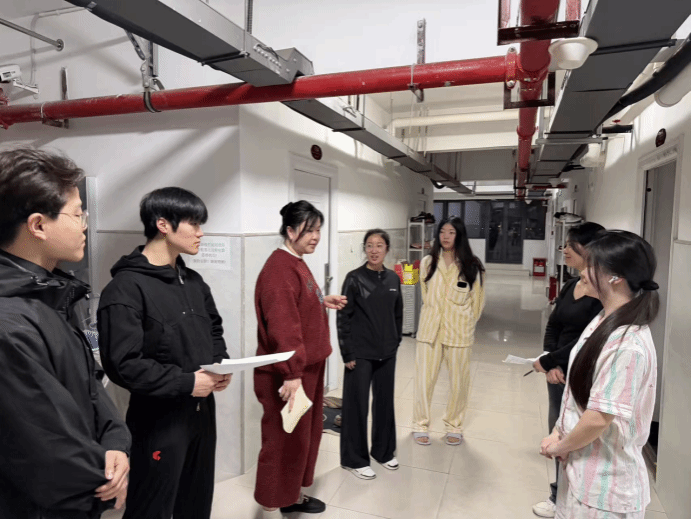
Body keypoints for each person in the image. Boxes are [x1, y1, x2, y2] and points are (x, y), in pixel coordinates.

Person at [0, 147, 131, 519]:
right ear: (38, 225)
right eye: (77, 214)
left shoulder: (50, 294)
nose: (84, 224)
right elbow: (44, 445)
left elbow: (89, 386)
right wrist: (104, 482)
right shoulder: (10, 323)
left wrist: (116, 442)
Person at [97, 187, 231, 519]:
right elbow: (123, 364)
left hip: (202, 414)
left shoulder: (194, 281)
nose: (201, 233)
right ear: (163, 225)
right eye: (194, 224)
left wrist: (221, 364)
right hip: (158, 419)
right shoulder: (125, 288)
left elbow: (214, 329)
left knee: (196, 500)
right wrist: (187, 382)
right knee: (151, 507)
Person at [540, 230, 660, 519]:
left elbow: (598, 418)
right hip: (581, 474)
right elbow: (578, 396)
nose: (582, 271)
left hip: (606, 489)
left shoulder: (627, 344)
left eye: (591, 265)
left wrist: (560, 446)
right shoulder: (603, 318)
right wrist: (559, 431)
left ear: (615, 277)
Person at [253, 200, 347, 517]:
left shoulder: (296, 261)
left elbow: (297, 305)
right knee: (283, 440)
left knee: (302, 438)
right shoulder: (279, 269)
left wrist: (322, 301)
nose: (316, 236)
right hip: (290, 373)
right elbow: (283, 326)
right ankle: (274, 500)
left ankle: (291, 495)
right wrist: (292, 375)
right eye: (309, 230)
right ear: (291, 231)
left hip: (307, 368)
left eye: (318, 229)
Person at [532, 222, 605, 518]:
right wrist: (550, 359)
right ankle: (557, 494)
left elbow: (585, 339)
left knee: (575, 436)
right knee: (557, 430)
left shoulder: (600, 293)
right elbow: (554, 324)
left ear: (589, 250)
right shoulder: (569, 285)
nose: (564, 250)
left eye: (571, 246)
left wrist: (553, 361)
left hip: (580, 372)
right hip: (558, 372)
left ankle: (571, 498)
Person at [412, 216, 486, 446]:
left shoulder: (472, 266)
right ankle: (420, 424)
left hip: (459, 332)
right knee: (424, 381)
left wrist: (464, 323)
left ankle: (454, 425)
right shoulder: (427, 262)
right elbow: (425, 294)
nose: (445, 236)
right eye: (442, 231)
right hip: (429, 331)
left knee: (458, 383)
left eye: (451, 232)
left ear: (459, 235)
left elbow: (477, 303)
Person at [337, 229, 403, 480]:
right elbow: (343, 317)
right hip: (360, 354)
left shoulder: (393, 278)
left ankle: (383, 451)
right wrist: (347, 352)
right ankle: (354, 459)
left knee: (385, 404)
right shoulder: (353, 279)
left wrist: (395, 341)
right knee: (357, 406)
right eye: (369, 245)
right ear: (364, 249)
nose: (374, 250)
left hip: (387, 353)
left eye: (379, 245)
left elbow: (398, 314)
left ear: (387, 249)